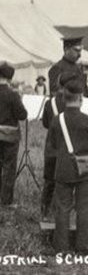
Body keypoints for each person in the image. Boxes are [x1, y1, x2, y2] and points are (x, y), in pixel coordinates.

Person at [48, 72, 88, 255]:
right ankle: (82, 246)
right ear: (80, 97)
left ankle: (61, 247)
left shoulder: (57, 120)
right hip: (84, 169)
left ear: (64, 97)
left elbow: (53, 145)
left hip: (63, 169)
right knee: (83, 208)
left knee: (62, 208)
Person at [0, 62, 27, 206]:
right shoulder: (13, 95)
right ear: (10, 78)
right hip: (9, 137)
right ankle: (6, 202)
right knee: (9, 168)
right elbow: (22, 115)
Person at [41, 80, 65, 220]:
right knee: (65, 181)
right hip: (67, 147)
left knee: (49, 181)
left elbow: (45, 123)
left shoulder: (49, 103)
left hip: (51, 146)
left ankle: (44, 211)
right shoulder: (72, 102)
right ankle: (61, 212)